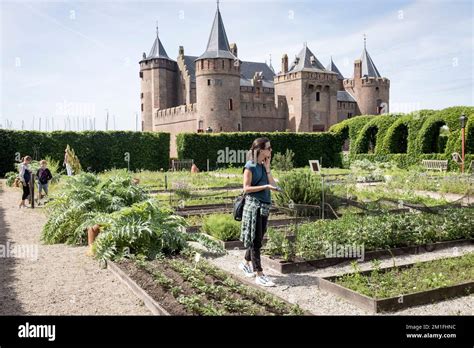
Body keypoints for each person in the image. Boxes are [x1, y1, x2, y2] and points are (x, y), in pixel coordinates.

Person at [239, 137, 279, 287]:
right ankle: (259, 274)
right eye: (268, 148)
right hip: (254, 207)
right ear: (260, 150)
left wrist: (268, 169)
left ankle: (245, 263)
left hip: (264, 207)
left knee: (258, 238)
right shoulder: (250, 166)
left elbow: (273, 184)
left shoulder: (263, 166)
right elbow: (246, 188)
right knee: (256, 241)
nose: (271, 150)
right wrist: (266, 187)